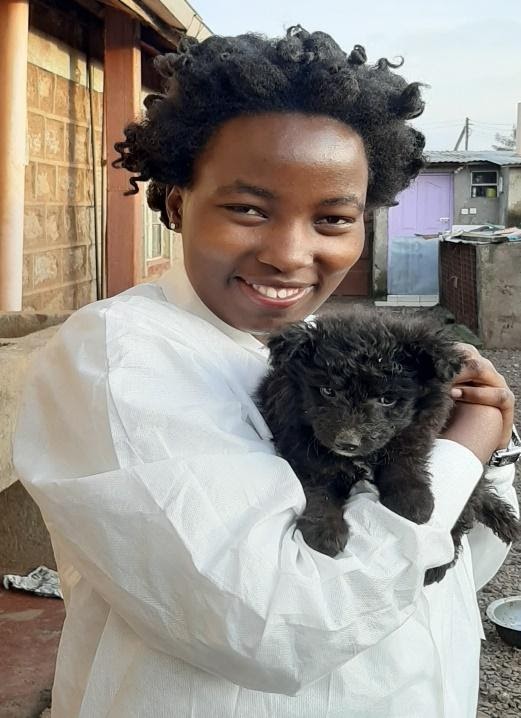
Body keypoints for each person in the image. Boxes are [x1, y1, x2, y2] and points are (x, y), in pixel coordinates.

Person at [14, 27, 518, 718]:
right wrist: (464, 449)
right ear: (176, 203)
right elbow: (275, 627)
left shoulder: (318, 350)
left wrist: (483, 450)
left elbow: (445, 570)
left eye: (332, 218)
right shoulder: (119, 356)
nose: (289, 253)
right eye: (248, 209)